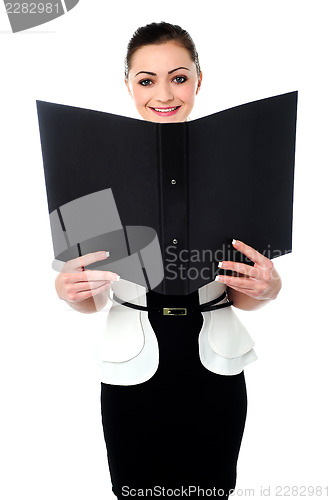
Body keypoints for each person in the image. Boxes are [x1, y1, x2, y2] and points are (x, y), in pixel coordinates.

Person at [55, 22, 282, 499]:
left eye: (178, 77)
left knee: (211, 490)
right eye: (146, 79)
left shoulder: (237, 162)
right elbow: (91, 299)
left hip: (215, 359)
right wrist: (70, 292)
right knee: (136, 491)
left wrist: (269, 288)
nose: (164, 92)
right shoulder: (91, 160)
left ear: (199, 80)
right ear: (128, 86)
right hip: (130, 360)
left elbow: (242, 294)